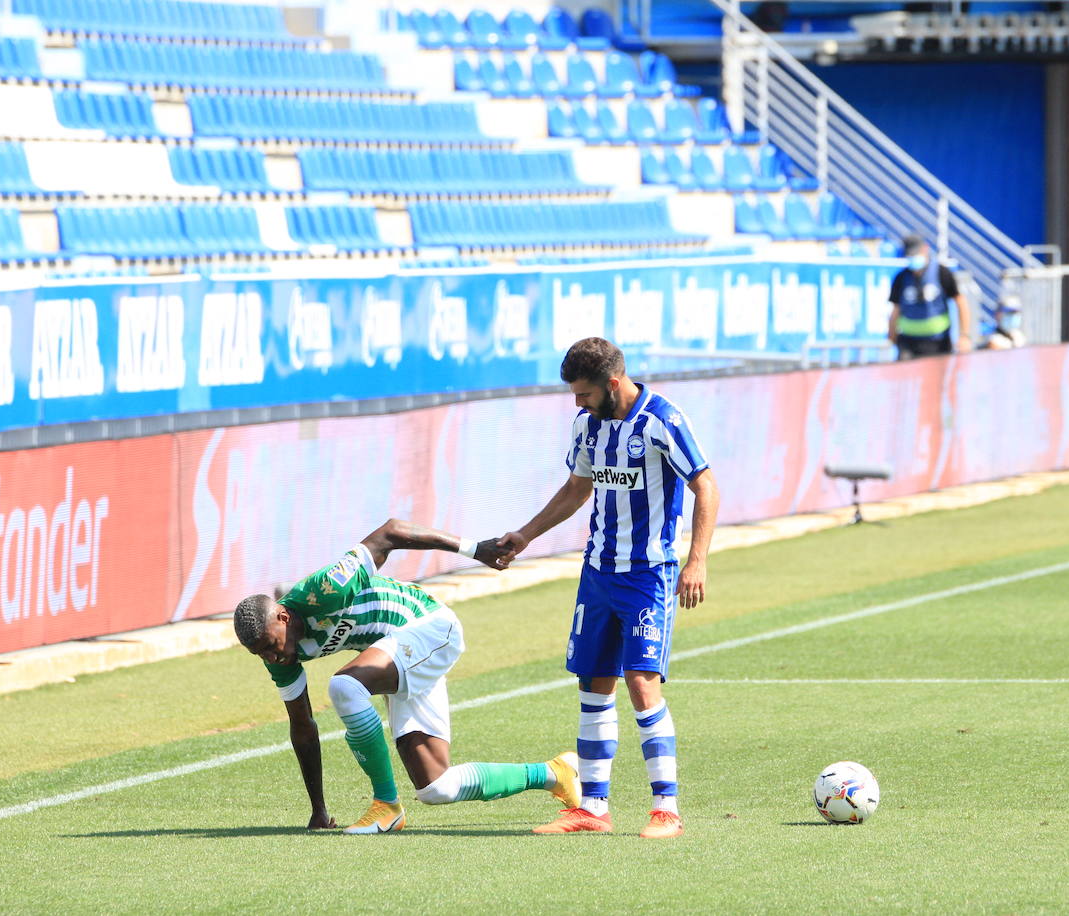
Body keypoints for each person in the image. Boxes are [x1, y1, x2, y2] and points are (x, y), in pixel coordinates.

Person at [498, 337, 720, 840]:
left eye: (583, 393)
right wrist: (525, 535)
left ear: (612, 384)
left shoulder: (662, 419)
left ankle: (666, 809)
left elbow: (704, 484)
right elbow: (578, 488)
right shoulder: (587, 425)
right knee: (594, 684)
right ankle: (592, 808)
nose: (576, 402)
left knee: (641, 683)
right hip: (598, 572)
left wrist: (697, 560)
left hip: (649, 573)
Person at [232, 519, 581, 834]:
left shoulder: (324, 589)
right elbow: (303, 726)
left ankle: (386, 805)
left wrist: (475, 550)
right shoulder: (278, 656)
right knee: (436, 787)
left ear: (284, 618)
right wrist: (319, 810)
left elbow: (390, 532)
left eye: (270, 645)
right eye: (259, 653)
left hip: (428, 627)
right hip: (399, 656)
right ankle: (555, 773)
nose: (270, 656)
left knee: (345, 686)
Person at [888, 234, 974, 360]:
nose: (913, 258)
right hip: (908, 343)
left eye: (915, 254)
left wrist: (965, 336)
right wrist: (891, 336)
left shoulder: (942, 272)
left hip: (938, 343)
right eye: (910, 255)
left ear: (925, 249)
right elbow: (895, 311)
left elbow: (961, 303)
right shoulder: (901, 278)